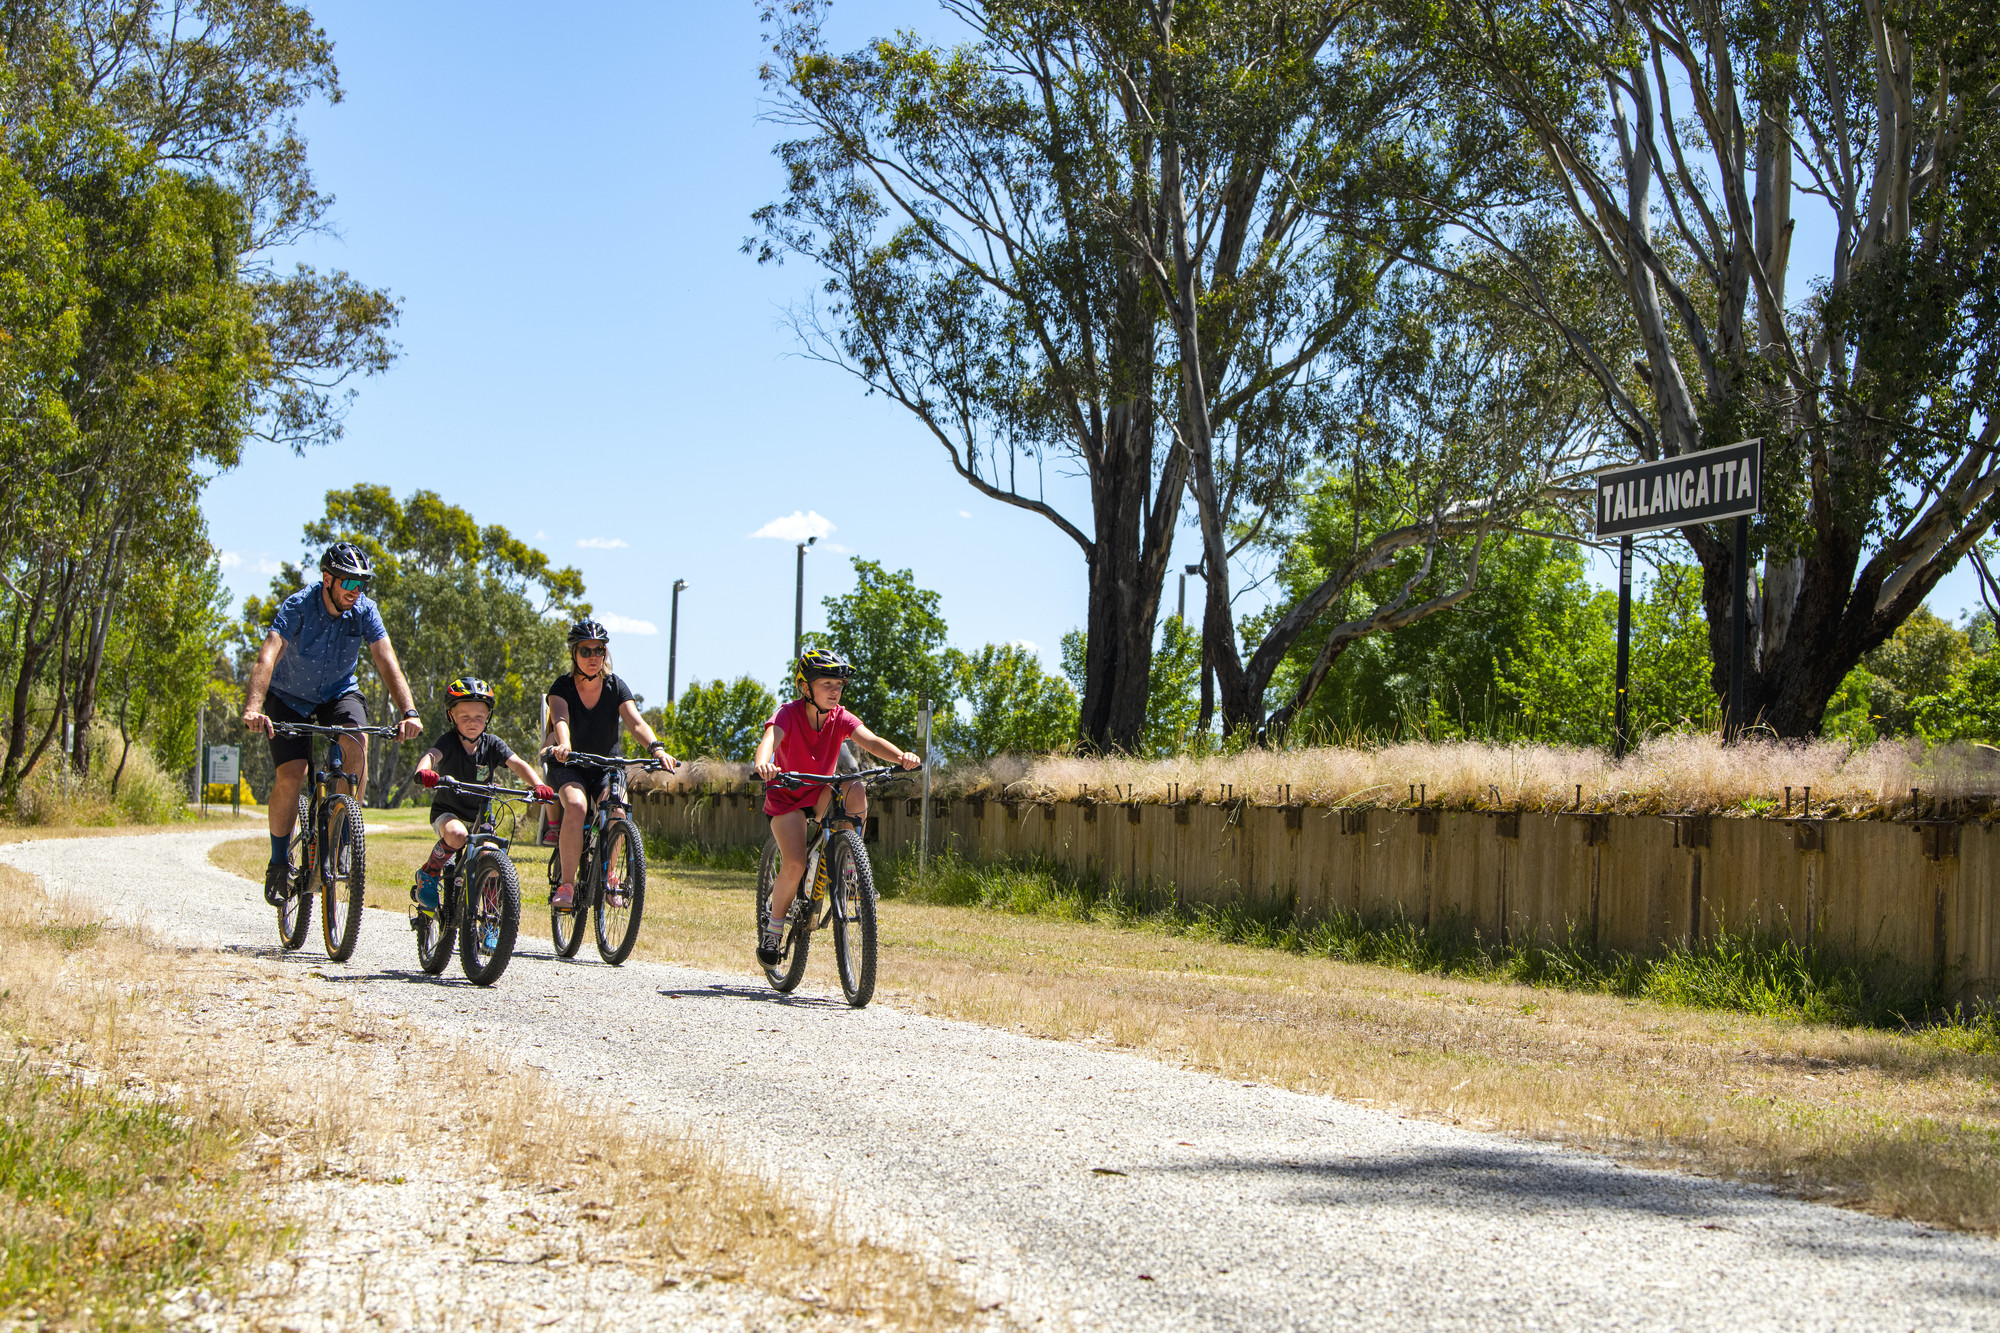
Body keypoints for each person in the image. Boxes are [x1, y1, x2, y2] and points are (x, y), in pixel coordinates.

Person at [241, 542, 423, 904]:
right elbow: (268, 654)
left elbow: (387, 660)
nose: (356, 593)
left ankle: (340, 837)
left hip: (339, 693)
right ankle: (279, 864)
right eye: (349, 584)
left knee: (356, 742)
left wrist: (410, 711)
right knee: (291, 773)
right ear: (327, 578)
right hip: (289, 698)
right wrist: (253, 706)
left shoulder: (365, 611)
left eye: (361, 585)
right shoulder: (298, 605)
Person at [751, 648, 921, 965]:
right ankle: (773, 930)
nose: (834, 690)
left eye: (839, 684)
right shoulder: (788, 713)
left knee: (855, 786)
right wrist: (763, 764)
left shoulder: (840, 717)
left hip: (820, 793)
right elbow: (770, 741)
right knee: (796, 863)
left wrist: (901, 757)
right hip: (787, 796)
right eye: (826, 683)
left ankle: (850, 867)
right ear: (805, 687)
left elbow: (870, 740)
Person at [543, 619, 678, 911]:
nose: (593, 657)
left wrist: (656, 748)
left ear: (605, 653)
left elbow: (635, 722)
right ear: (574, 654)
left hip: (606, 764)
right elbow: (561, 719)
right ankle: (567, 884)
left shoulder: (616, 686)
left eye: (598, 650)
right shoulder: (561, 687)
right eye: (585, 651)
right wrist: (564, 745)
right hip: (571, 763)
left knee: (618, 809)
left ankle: (611, 876)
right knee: (577, 806)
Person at [411, 678, 555, 937]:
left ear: (488, 716)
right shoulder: (449, 741)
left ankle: (490, 921)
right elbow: (432, 756)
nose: (472, 720)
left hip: (481, 813)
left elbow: (517, 763)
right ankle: (429, 873)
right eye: (464, 715)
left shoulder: (493, 744)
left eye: (479, 715)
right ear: (451, 715)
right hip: (449, 812)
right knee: (457, 836)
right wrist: (424, 771)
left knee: (491, 855)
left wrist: (537, 784)